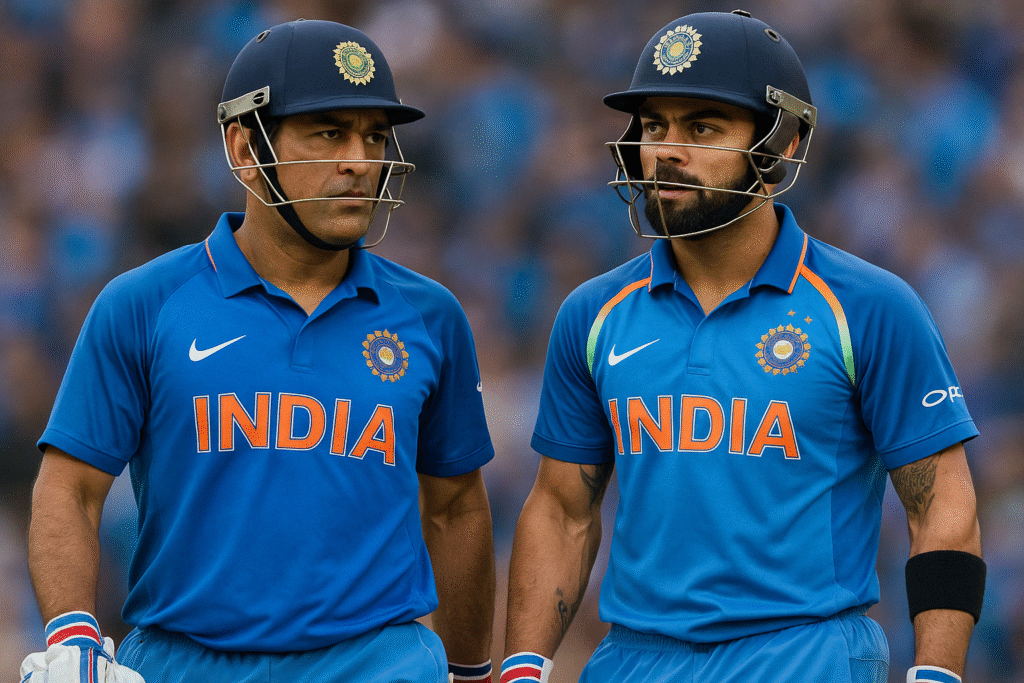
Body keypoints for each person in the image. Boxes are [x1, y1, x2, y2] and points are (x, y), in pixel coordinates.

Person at [500, 10, 984, 683]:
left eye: (701, 127)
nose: (664, 150)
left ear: (782, 145)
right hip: (633, 659)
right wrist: (524, 663)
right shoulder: (592, 314)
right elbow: (560, 506)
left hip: (804, 653)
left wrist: (937, 672)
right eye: (654, 126)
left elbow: (942, 506)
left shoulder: (870, 306)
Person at [22, 19, 496, 683]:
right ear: (245, 147)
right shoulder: (142, 303)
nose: (361, 161)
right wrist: (73, 634)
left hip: (378, 661)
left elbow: (456, 509)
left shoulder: (432, 315)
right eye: (330, 132)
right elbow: (69, 489)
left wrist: (473, 673)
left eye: (375, 136)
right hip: (182, 661)